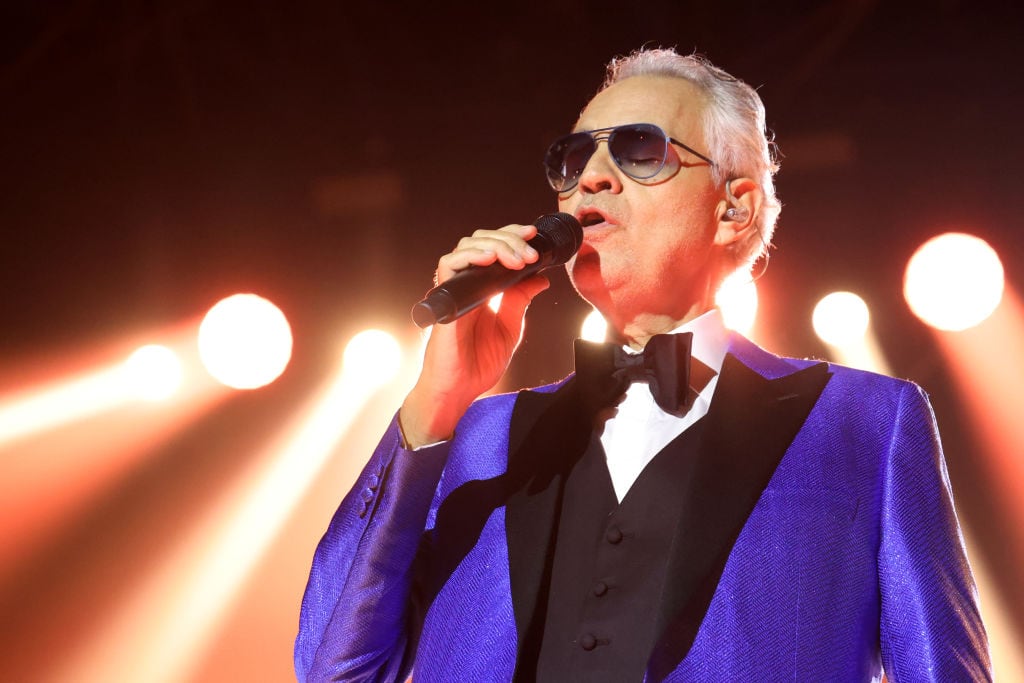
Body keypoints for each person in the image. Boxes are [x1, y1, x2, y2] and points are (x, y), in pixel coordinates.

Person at [295, 48, 991, 682]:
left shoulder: (867, 422)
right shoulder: (481, 435)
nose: (592, 179)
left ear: (733, 209)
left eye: (638, 150)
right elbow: (332, 667)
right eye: (574, 160)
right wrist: (432, 404)